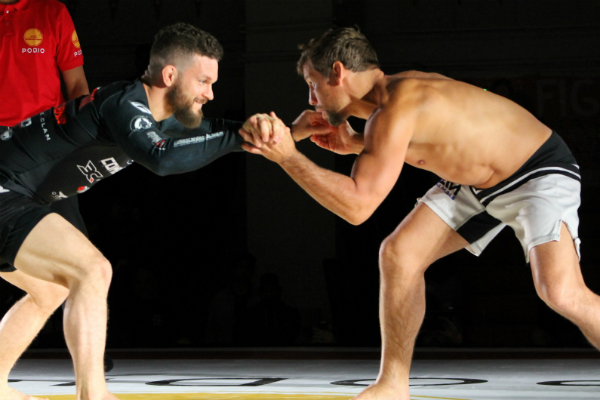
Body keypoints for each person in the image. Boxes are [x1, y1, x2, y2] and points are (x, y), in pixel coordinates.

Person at [240, 27, 600, 400]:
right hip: (476, 184)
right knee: (399, 254)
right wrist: (351, 142)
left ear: (337, 72)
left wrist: (289, 157)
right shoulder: (391, 101)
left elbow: (358, 207)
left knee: (560, 292)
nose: (311, 99)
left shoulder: (398, 106)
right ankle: (393, 386)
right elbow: (426, 141)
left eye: (312, 85)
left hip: (535, 171)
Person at [0, 22, 329, 400]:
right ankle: (93, 395)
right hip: (6, 190)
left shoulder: (151, 115)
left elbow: (211, 131)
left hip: (17, 197)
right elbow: (163, 158)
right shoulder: (124, 104)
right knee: (92, 270)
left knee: (50, 290)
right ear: (170, 75)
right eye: (203, 81)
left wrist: (285, 132)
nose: (210, 93)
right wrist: (240, 138)